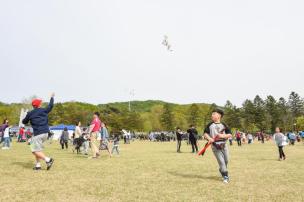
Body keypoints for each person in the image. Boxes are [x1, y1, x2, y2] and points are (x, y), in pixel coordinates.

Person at [22, 93, 55, 170]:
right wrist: (52, 97)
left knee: (34, 150)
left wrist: (26, 116)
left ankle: (48, 160)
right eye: (40, 103)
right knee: (37, 149)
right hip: (46, 133)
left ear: (33, 106)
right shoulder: (44, 110)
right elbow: (50, 106)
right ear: (39, 105)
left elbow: (24, 122)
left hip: (38, 134)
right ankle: (38, 165)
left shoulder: (30, 113)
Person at [204, 109, 232, 183]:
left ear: (219, 115)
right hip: (215, 146)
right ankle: (225, 176)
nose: (212, 115)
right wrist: (209, 138)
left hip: (224, 145)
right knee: (221, 161)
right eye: (212, 114)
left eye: (214, 114)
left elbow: (229, 134)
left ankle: (222, 170)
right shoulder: (210, 125)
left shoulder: (224, 125)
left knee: (226, 160)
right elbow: (205, 134)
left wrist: (223, 135)